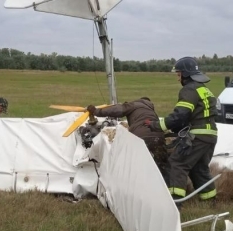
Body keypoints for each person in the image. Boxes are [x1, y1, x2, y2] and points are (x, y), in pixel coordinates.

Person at [145, 56, 219, 206]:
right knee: (199, 169)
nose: (178, 79)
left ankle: (174, 203)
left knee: (177, 163)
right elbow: (191, 117)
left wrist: (156, 125)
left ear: (185, 75)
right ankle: (210, 202)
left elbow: (180, 116)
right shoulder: (204, 89)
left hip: (197, 136)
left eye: (178, 75)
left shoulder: (189, 89)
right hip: (210, 136)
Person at [86, 97, 168, 176]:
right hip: (159, 137)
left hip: (141, 138)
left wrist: (96, 111)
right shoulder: (151, 111)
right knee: (160, 166)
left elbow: (117, 110)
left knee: (138, 166)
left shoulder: (134, 104)